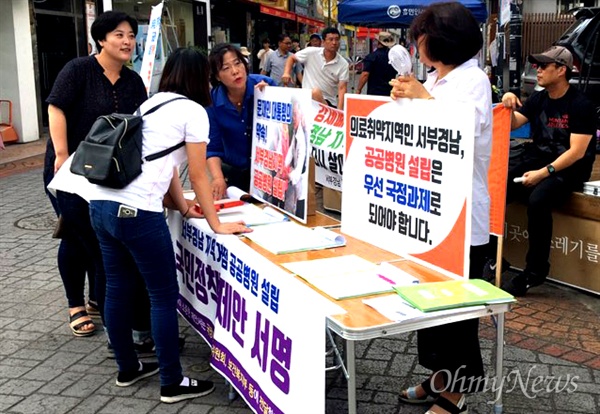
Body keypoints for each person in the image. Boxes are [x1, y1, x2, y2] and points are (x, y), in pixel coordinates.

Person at [88, 47, 252, 403]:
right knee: (162, 295)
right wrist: (216, 223)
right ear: (202, 79)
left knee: (116, 287)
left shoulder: (153, 102)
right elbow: (196, 171)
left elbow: (163, 165)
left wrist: (183, 207)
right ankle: (172, 382)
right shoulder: (194, 111)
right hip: (137, 214)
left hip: (101, 205)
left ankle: (128, 368)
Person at [390, 3, 492, 413]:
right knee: (428, 302)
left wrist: (422, 96)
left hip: (461, 215)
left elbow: (460, 131)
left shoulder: (474, 81)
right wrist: (403, 97)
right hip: (426, 212)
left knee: (455, 309)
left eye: (422, 37)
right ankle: (437, 378)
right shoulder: (435, 78)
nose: (418, 44)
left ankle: (455, 392)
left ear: (443, 40)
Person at [43, 11, 148, 338]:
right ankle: (77, 303)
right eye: (119, 34)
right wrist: (61, 153)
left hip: (109, 174)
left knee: (100, 234)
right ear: (101, 40)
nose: (127, 41)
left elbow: (138, 127)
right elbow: (56, 107)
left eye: (131, 35)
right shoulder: (78, 70)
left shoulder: (133, 81)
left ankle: (96, 297)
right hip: (69, 170)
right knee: (77, 234)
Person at [497, 46, 596, 297]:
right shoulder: (539, 98)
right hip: (537, 159)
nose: (537, 71)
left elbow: (576, 152)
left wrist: (543, 173)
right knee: (498, 187)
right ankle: (492, 255)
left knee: (538, 200)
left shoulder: (581, 104)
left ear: (561, 70)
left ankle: (535, 271)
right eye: (537, 66)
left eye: (544, 66)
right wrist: (507, 104)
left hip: (569, 169)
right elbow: (514, 123)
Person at [206, 44, 277, 200]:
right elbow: (213, 148)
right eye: (226, 68)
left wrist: (270, 97)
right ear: (217, 76)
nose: (235, 71)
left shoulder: (266, 85)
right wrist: (218, 179)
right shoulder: (212, 102)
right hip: (234, 175)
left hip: (268, 173)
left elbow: (285, 125)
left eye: (237, 63)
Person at [282, 27, 349, 109]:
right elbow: (292, 58)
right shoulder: (311, 52)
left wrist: (340, 112)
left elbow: (342, 89)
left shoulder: (343, 64)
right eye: (331, 39)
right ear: (323, 42)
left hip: (328, 102)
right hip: (306, 100)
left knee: (315, 92)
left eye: (337, 39)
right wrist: (286, 73)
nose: (334, 42)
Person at [357, 31, 397, 96]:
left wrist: (358, 89)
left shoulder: (372, 57)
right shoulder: (394, 58)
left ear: (378, 42)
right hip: (389, 93)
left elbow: (365, 74)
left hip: (374, 93)